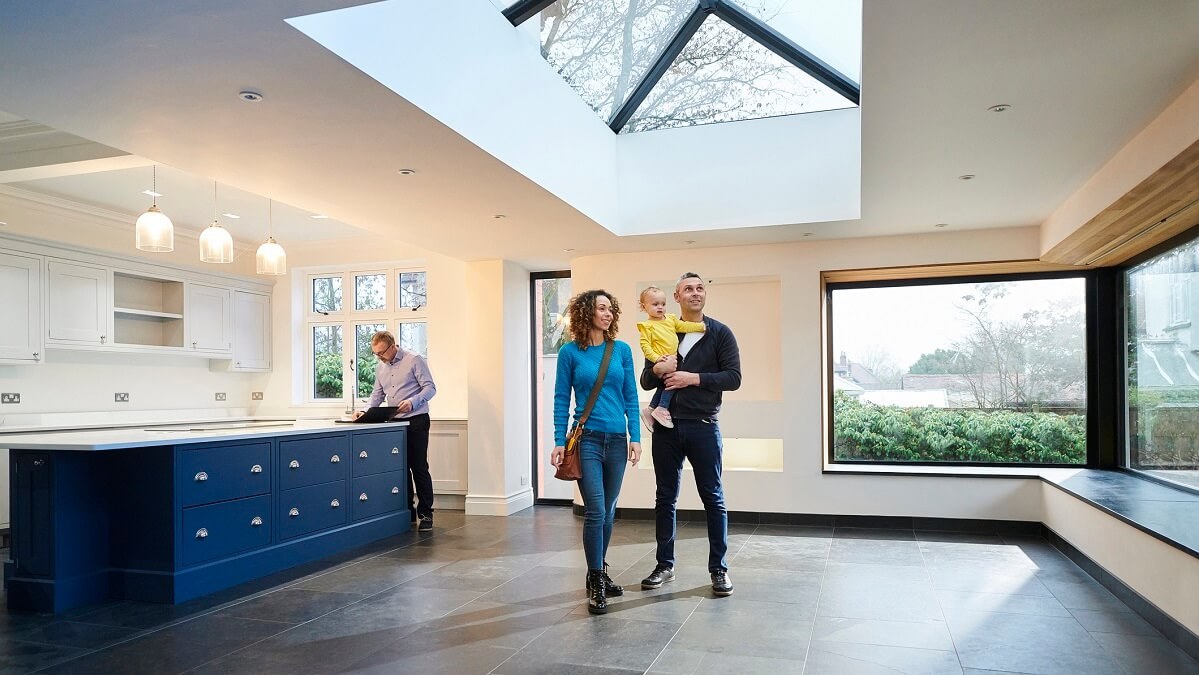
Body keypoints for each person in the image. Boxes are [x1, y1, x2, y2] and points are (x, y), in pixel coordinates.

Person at [639, 272, 741, 597]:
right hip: (666, 428)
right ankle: (664, 565)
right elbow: (645, 379)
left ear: (704, 295)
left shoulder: (720, 333)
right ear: (677, 296)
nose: (695, 293)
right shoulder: (661, 328)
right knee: (665, 498)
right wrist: (657, 370)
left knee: (713, 498)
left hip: (704, 427)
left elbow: (733, 377)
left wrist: (691, 378)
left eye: (700, 288)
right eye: (688, 289)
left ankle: (719, 570)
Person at [551, 290, 642, 615]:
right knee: (596, 510)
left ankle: (599, 571)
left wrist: (635, 436)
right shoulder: (569, 353)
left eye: (610, 309)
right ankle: (595, 580)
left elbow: (630, 394)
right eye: (601, 308)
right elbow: (562, 398)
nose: (607, 314)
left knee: (608, 510)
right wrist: (559, 440)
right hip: (587, 439)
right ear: (586, 313)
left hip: (617, 439)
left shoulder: (622, 351)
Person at [358, 330, 438, 532]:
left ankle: (426, 513)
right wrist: (365, 413)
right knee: (400, 468)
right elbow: (377, 395)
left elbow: (430, 388)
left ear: (393, 346)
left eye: (382, 352)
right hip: (395, 424)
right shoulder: (380, 367)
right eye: (376, 354)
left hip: (417, 419)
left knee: (418, 466)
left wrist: (412, 402)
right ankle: (407, 511)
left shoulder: (414, 360)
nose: (380, 357)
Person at [636, 285, 706, 430]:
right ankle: (661, 408)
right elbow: (645, 346)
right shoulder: (647, 326)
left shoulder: (670, 319)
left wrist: (701, 327)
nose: (660, 307)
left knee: (664, 385)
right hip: (661, 358)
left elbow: (684, 326)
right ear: (644, 307)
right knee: (672, 382)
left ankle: (650, 410)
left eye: (663, 304)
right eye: (655, 304)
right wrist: (656, 359)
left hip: (671, 358)